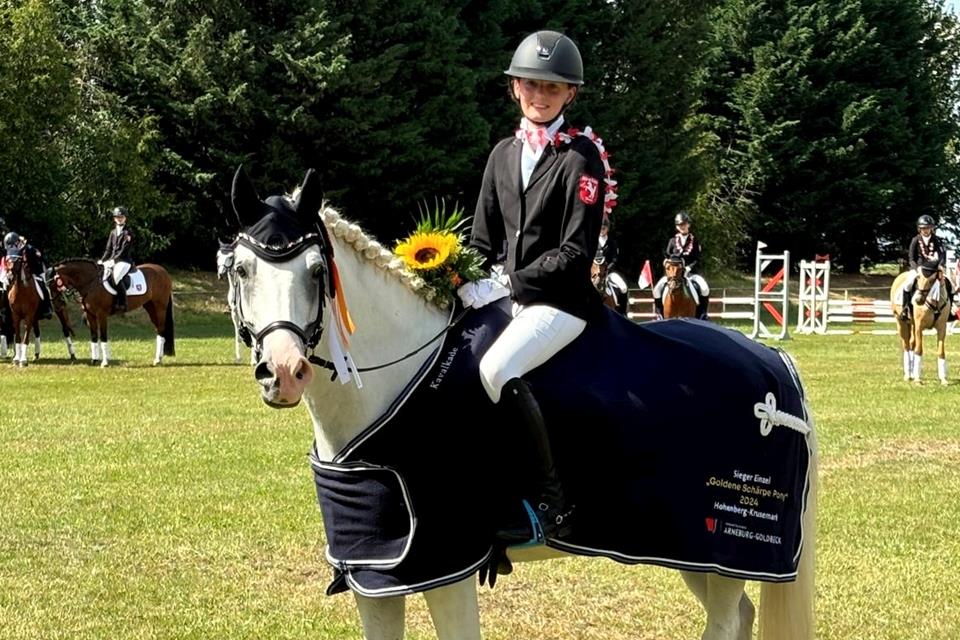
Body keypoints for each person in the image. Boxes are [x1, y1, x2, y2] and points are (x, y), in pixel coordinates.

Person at [458, 30, 613, 545]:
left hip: (562, 302)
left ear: (571, 94)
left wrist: (506, 280)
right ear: (514, 88)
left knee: (496, 368)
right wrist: (453, 276)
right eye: (530, 84)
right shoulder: (503, 153)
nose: (540, 95)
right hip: (509, 298)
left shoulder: (581, 157)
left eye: (553, 87)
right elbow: (482, 240)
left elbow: (575, 254)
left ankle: (552, 503)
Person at [652, 211, 710, 320]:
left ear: (688, 224)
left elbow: (697, 258)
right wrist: (665, 262)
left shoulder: (695, 241)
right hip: (674, 273)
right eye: (679, 225)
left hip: (690, 273)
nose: (682, 227)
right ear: (677, 226)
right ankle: (659, 314)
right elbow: (667, 255)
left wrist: (689, 267)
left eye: (684, 224)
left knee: (704, 288)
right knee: (657, 289)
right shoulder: (672, 241)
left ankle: (703, 314)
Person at [899, 214, 948, 321]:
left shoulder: (937, 240)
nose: (925, 230)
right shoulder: (915, 240)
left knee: (950, 284)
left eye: (927, 228)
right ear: (919, 229)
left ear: (932, 228)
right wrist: (917, 269)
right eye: (923, 228)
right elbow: (911, 258)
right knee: (908, 283)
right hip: (919, 268)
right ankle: (906, 308)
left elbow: (942, 255)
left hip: (933, 269)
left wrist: (940, 265)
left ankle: (950, 310)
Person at [2, 231, 53, 319]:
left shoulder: (29, 248)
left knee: (42, 286)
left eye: (12, 245)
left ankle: (46, 308)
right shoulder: (11, 251)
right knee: (5, 286)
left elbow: (39, 257)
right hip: (19, 274)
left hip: (36, 272)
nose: (11, 248)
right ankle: (6, 310)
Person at [99, 206, 135, 312]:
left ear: (125, 218)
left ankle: (123, 303)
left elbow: (124, 250)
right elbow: (108, 249)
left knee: (116, 277)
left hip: (124, 261)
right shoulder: (113, 232)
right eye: (117, 217)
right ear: (114, 218)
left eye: (121, 217)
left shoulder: (128, 233)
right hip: (112, 260)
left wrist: (113, 260)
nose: (119, 218)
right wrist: (102, 260)